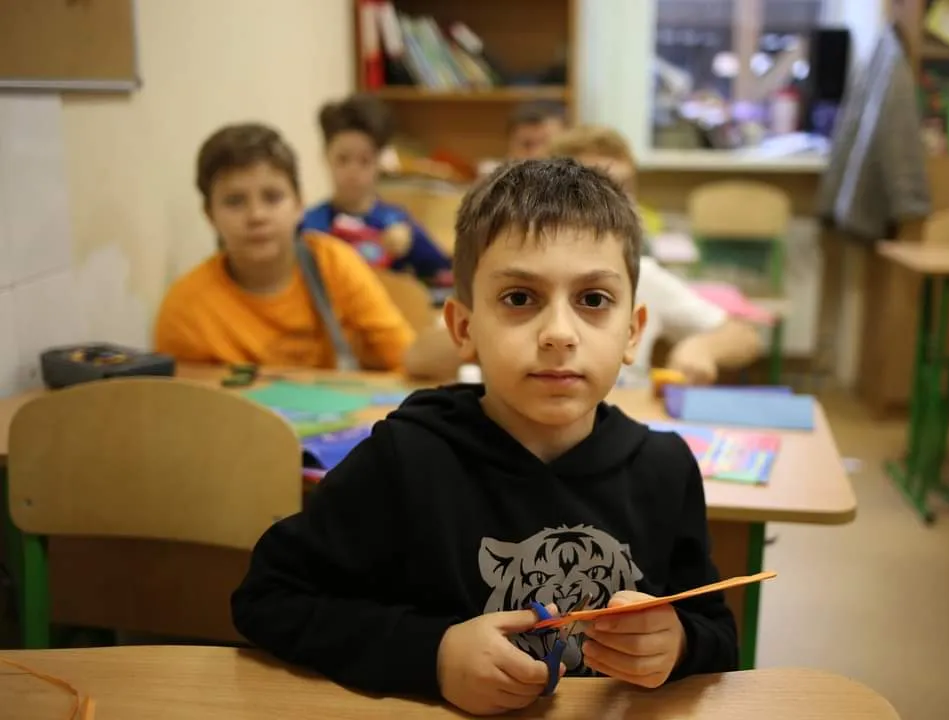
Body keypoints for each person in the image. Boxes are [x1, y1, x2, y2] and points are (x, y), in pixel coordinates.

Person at [231, 159, 738, 716]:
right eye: (520, 298)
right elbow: (268, 598)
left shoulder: (666, 468)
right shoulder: (407, 458)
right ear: (464, 328)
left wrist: (679, 644)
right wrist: (433, 654)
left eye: (593, 300)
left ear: (633, 333)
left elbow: (718, 633)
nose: (559, 334)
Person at [154, 122, 415, 370]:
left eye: (272, 197)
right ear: (210, 215)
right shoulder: (184, 309)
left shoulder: (334, 264)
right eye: (234, 201)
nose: (256, 216)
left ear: (299, 204)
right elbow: (177, 398)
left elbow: (406, 358)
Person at [549, 125, 764, 386]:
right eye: (596, 190)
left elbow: (744, 336)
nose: (616, 205)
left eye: (624, 189)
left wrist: (702, 348)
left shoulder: (642, 275)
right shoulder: (525, 280)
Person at [300, 93, 452, 285]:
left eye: (364, 161)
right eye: (343, 159)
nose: (353, 171)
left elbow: (443, 270)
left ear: (379, 161)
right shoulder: (310, 225)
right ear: (325, 157)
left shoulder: (397, 222)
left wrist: (411, 242)